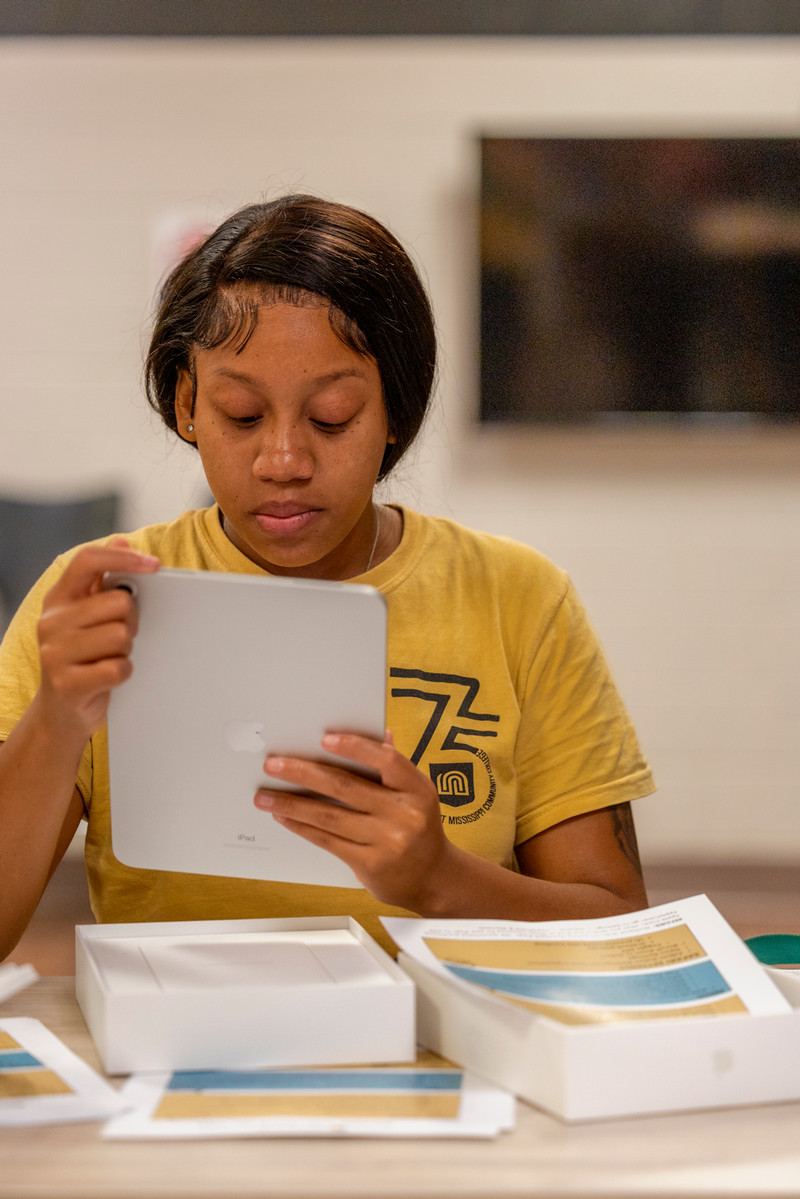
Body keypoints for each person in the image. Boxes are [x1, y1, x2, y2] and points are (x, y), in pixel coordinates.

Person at [0, 194, 654, 961]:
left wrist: (440, 878)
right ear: (186, 404)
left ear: (394, 415)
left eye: (333, 416)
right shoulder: (99, 603)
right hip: (182, 1057)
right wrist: (55, 717)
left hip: (444, 1059)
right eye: (241, 415)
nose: (283, 462)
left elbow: (620, 932)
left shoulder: (517, 597)